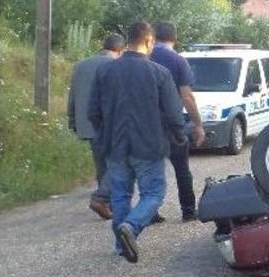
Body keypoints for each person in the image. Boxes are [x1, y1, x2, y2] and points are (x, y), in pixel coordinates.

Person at [88, 21, 187, 263]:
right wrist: (180, 135)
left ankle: (120, 246)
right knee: (153, 193)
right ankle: (131, 227)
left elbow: (92, 111)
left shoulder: (104, 71)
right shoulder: (159, 73)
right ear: (149, 41)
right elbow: (174, 113)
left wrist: (106, 132)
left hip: (115, 146)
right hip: (149, 146)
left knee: (120, 195)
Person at [150, 22, 205, 222]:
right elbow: (187, 96)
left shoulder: (144, 57)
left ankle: (151, 211)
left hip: (146, 124)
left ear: (153, 37)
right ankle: (188, 211)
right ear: (175, 38)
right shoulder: (178, 60)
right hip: (172, 122)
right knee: (182, 169)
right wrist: (198, 124)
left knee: (152, 168)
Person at [67, 33, 124, 220]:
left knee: (101, 164)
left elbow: (73, 95)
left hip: (87, 123)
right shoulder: (115, 65)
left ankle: (104, 201)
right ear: (120, 49)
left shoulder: (81, 65)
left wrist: (73, 120)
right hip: (110, 123)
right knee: (117, 163)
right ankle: (106, 201)